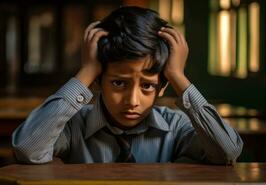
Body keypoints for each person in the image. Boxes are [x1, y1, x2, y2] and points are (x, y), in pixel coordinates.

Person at [12, 6, 243, 164]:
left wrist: (177, 76)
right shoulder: (74, 127)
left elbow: (228, 153)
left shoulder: (175, 127)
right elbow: (27, 148)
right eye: (118, 83)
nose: (132, 101)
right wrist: (87, 71)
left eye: (147, 86)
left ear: (163, 86)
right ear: (99, 81)